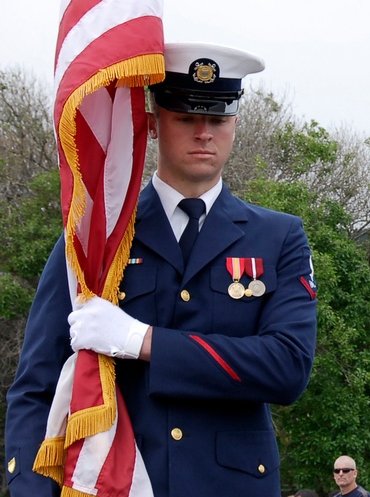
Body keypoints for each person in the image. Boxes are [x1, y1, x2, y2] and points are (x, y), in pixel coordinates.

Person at [4, 42, 319, 496]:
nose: (203, 133)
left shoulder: (279, 237)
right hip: (119, 483)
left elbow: (287, 369)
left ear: (234, 124)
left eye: (217, 118)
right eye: (186, 117)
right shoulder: (97, 237)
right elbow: (37, 384)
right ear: (153, 125)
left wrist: (142, 341)